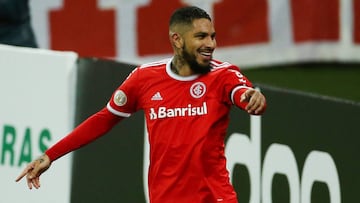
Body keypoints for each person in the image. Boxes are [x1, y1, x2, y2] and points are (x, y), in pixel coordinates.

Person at [16, 6, 266, 203]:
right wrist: (51, 155)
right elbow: (104, 118)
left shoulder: (223, 74)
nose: (210, 44)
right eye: (201, 36)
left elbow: (242, 94)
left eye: (212, 36)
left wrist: (252, 99)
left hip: (214, 197)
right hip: (164, 198)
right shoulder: (145, 78)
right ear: (177, 40)